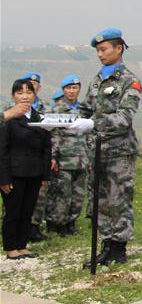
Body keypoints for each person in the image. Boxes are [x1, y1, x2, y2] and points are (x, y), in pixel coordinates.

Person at [70, 29, 142, 266]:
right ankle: (106, 243)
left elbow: (124, 118)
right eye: (98, 51)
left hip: (119, 152)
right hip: (97, 150)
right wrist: (69, 120)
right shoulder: (98, 79)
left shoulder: (129, 81)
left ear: (118, 48)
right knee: (99, 200)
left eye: (104, 49)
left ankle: (118, 247)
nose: (100, 55)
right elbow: (85, 108)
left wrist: (93, 123)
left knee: (117, 199)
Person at [0, 79, 52, 260]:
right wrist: (3, 178)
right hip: (14, 173)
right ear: (13, 95)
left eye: (28, 92)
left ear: (34, 94)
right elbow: (2, 150)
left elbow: (47, 147)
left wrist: (45, 174)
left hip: (34, 172)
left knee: (27, 210)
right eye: (20, 92)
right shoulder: (8, 118)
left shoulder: (39, 117)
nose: (24, 96)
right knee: (13, 211)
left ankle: (22, 245)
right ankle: (10, 247)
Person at [46, 75, 90, 237]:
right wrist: (52, 157)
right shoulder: (55, 110)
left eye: (75, 88)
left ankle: (71, 223)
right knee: (61, 194)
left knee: (78, 195)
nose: (72, 91)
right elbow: (52, 135)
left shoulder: (84, 109)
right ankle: (57, 224)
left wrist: (90, 157)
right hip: (63, 160)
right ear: (63, 90)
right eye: (68, 88)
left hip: (81, 159)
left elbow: (89, 134)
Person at [20, 72, 50, 243]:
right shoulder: (12, 108)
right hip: (20, 160)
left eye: (35, 84)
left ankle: (34, 227)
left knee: (39, 194)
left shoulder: (44, 108)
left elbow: (49, 136)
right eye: (29, 83)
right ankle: (15, 231)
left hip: (38, 159)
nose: (33, 86)